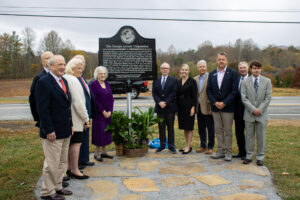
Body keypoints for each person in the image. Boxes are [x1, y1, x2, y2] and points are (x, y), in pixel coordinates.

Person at [35, 55, 73, 200]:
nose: (62, 67)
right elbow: (42, 109)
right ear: (50, 66)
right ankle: (47, 192)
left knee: (62, 162)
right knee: (51, 163)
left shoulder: (63, 81)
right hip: (52, 132)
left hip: (65, 129)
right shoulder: (44, 82)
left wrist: (70, 125)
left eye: (63, 64)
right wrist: (48, 129)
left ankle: (58, 186)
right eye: (59, 65)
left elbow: (66, 106)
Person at [206, 52, 238, 161]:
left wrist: (224, 103)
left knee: (228, 131)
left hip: (228, 108)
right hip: (215, 108)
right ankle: (220, 151)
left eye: (223, 59)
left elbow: (234, 91)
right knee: (218, 130)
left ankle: (228, 152)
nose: (221, 61)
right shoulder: (212, 74)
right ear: (216, 61)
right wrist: (215, 102)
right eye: (219, 59)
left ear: (226, 61)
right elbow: (208, 90)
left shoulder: (233, 73)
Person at [241, 61, 272, 166]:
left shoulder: (267, 81)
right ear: (250, 69)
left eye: (258, 68)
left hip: (262, 114)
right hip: (249, 114)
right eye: (254, 68)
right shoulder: (245, 82)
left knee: (261, 136)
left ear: (261, 69)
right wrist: (253, 109)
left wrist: (260, 109)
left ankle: (260, 157)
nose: (256, 70)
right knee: (249, 136)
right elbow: (243, 98)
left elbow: (268, 98)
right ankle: (249, 156)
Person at [63, 58, 90, 179]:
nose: (81, 70)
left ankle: (69, 168)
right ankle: (74, 169)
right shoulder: (73, 80)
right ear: (71, 68)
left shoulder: (65, 78)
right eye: (78, 68)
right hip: (76, 118)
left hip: (70, 119)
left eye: (82, 68)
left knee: (69, 144)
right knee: (76, 144)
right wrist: (86, 118)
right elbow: (78, 103)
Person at [73, 55, 95, 168]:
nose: (83, 64)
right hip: (79, 115)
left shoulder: (82, 77)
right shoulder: (74, 78)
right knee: (78, 139)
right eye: (80, 62)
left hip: (87, 113)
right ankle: (78, 162)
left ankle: (84, 159)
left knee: (85, 138)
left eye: (84, 62)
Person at [152, 62, 178, 153]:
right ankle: (162, 145)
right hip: (160, 109)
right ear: (160, 69)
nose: (164, 69)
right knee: (161, 128)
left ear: (169, 70)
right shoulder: (156, 81)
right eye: (163, 68)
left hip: (170, 108)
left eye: (166, 68)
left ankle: (171, 146)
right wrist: (159, 102)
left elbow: (173, 93)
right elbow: (154, 93)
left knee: (170, 128)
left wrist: (165, 102)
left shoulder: (174, 80)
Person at [90, 66, 114, 161]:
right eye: (100, 74)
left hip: (108, 114)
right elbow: (95, 100)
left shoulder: (107, 84)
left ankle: (104, 152)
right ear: (97, 74)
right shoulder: (94, 85)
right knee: (99, 133)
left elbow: (111, 99)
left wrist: (110, 111)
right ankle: (96, 153)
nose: (103, 75)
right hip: (99, 114)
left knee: (106, 132)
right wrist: (103, 111)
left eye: (104, 73)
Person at [194, 60, 215, 155]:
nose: (202, 68)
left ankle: (210, 146)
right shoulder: (195, 79)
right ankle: (203, 145)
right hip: (198, 108)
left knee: (210, 128)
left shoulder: (211, 77)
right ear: (198, 68)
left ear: (206, 67)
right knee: (201, 128)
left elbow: (213, 93)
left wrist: (212, 107)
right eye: (200, 67)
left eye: (203, 66)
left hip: (208, 107)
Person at [29, 51, 54, 127]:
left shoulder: (60, 76)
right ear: (42, 62)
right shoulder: (39, 78)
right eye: (47, 58)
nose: (50, 60)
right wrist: (38, 118)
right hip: (46, 119)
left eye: (51, 58)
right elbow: (33, 99)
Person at [177, 64, 197, 154]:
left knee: (189, 127)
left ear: (188, 71)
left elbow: (195, 96)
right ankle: (186, 145)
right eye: (182, 69)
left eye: (186, 70)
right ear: (180, 71)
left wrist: (193, 107)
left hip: (189, 107)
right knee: (184, 127)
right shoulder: (178, 81)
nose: (184, 71)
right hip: (181, 107)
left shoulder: (192, 81)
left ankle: (188, 147)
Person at [233, 61, 249, 160]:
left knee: (249, 133)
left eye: (244, 67)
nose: (242, 69)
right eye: (241, 68)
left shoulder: (251, 80)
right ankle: (241, 151)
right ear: (239, 70)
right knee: (239, 132)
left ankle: (248, 153)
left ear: (248, 69)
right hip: (237, 110)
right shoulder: (237, 79)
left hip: (248, 110)